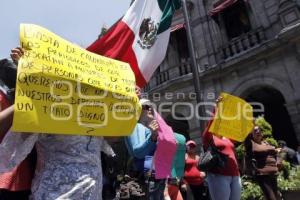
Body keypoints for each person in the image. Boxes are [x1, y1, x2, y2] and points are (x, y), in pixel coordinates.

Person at [0, 47, 116, 200]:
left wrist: (130, 105)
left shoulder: (95, 112)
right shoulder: (47, 109)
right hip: (54, 194)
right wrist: (31, 94)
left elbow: (114, 136)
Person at [125, 99, 166, 200]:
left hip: (156, 176)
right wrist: (153, 137)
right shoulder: (136, 127)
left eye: (151, 107)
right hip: (147, 176)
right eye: (146, 107)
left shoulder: (146, 129)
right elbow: (138, 152)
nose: (150, 109)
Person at [202, 97, 241, 200]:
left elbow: (241, 133)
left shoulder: (227, 138)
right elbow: (212, 124)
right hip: (219, 174)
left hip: (235, 174)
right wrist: (217, 108)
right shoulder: (208, 137)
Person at [245, 126, 281, 200]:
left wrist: (278, 158)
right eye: (255, 131)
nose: (258, 132)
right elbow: (246, 137)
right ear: (251, 134)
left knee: (276, 196)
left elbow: (274, 153)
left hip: (273, 173)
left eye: (259, 130)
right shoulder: (251, 144)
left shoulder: (266, 143)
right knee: (271, 198)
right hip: (262, 174)